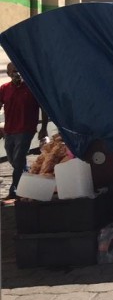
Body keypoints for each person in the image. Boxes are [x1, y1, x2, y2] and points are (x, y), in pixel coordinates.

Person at [0, 62, 48, 199]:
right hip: (9, 130)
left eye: (18, 70)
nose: (17, 74)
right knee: (13, 159)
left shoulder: (32, 88)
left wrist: (43, 128)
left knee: (19, 158)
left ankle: (14, 188)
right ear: (8, 74)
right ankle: (26, 174)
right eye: (13, 71)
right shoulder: (4, 89)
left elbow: (43, 109)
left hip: (26, 129)